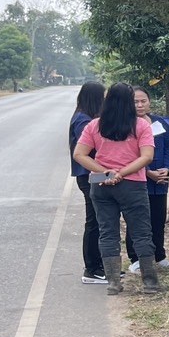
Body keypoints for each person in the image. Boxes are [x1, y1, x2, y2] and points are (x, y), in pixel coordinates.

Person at [73, 82, 160, 295]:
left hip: (101, 185)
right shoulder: (140, 126)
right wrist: (122, 173)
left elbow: (80, 154)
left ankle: (113, 283)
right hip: (133, 185)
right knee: (141, 233)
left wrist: (106, 171)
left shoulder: (94, 125)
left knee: (108, 233)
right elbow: (147, 156)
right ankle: (149, 283)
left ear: (108, 100)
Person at [126, 87, 169, 274]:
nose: (140, 105)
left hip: (160, 183)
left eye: (143, 101)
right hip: (138, 181)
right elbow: (127, 154)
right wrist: (148, 171)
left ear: (150, 102)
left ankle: (159, 254)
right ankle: (135, 257)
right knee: (137, 220)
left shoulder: (160, 123)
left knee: (158, 219)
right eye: (135, 101)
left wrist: (168, 168)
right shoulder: (126, 125)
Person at [69, 81, 107, 284]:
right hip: (89, 175)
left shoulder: (84, 117)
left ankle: (100, 265)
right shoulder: (83, 121)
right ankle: (92, 269)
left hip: (92, 174)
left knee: (100, 221)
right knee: (94, 222)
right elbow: (91, 150)